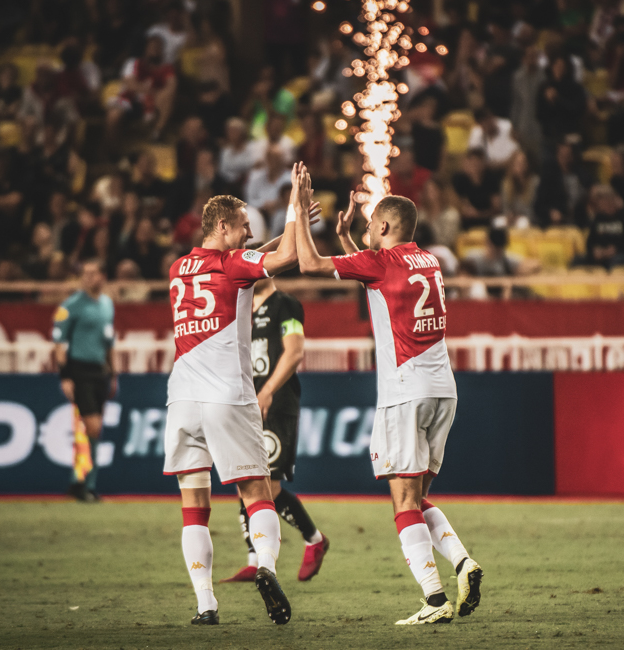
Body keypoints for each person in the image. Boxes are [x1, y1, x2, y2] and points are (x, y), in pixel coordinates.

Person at [290, 169, 482, 626]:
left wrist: (297, 209)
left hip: (404, 394)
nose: (368, 228)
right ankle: (462, 562)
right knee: (416, 497)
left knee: (403, 503)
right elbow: (376, 278)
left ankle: (434, 599)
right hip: (443, 391)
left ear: (384, 226)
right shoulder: (429, 260)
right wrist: (349, 241)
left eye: (372, 223)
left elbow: (310, 265)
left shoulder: (378, 263)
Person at [164, 166, 305, 627]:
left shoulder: (179, 268)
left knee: (193, 508)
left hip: (182, 400)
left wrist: (274, 238)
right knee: (257, 493)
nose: (249, 234)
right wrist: (295, 209)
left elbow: (240, 262)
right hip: (227, 395)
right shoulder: (233, 267)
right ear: (222, 226)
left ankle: (206, 605)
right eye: (244, 226)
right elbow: (282, 259)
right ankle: (265, 567)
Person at [221, 273, 330, 584]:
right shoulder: (241, 309)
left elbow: (294, 352)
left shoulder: (286, 305)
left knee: (269, 486)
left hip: (276, 402)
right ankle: (254, 559)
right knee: (245, 478)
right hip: (246, 403)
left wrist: (268, 390)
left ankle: (314, 539)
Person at [52, 260, 116, 503]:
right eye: (85, 274)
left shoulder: (107, 304)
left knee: (93, 430)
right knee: (93, 427)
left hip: (100, 371)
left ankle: (82, 482)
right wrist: (65, 376)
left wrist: (113, 373)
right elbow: (59, 344)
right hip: (79, 370)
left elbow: (109, 341)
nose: (88, 277)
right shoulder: (71, 306)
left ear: (103, 276)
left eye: (93, 273)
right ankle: (84, 483)